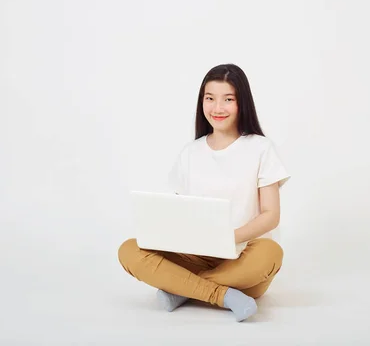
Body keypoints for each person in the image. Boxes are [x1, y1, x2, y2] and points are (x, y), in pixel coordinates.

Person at [118, 63, 290, 322]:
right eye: (210, 99)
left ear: (242, 103)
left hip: (242, 260)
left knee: (270, 254)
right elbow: (179, 210)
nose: (217, 108)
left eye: (228, 99)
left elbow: (271, 215)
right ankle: (223, 295)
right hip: (197, 255)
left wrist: (227, 237)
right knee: (129, 250)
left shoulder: (261, 148)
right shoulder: (190, 152)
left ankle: (183, 290)